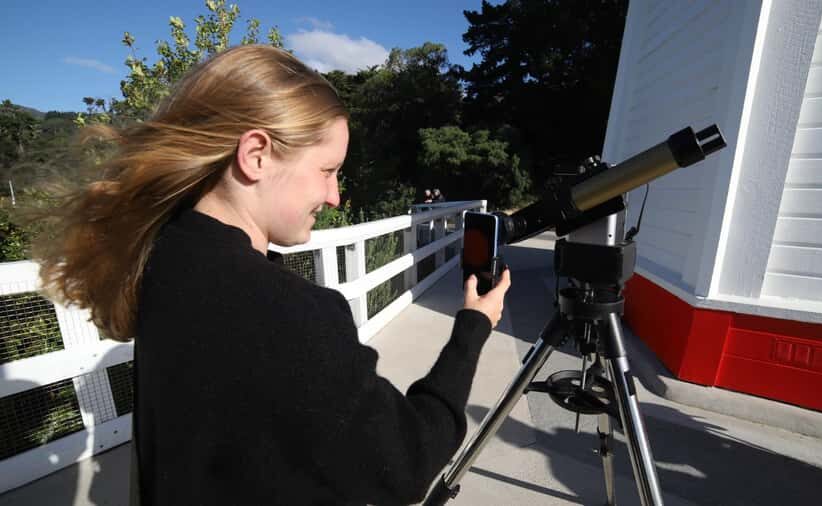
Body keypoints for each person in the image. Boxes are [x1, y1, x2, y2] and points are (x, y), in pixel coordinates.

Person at [33, 45, 511, 505]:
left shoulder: (163, 254)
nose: (335, 196)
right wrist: (472, 327)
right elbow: (409, 463)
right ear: (256, 155)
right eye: (328, 169)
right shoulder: (286, 312)